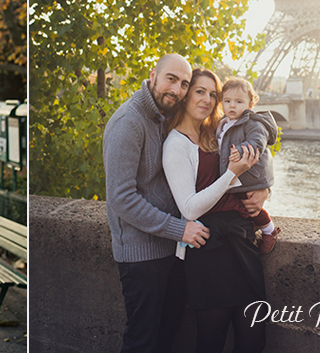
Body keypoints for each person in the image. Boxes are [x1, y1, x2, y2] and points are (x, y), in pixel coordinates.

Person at [103, 53, 211, 353]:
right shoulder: (129, 121)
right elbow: (121, 198)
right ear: (153, 75)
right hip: (140, 256)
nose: (176, 90)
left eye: (184, 84)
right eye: (171, 79)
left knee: (166, 336)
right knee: (143, 341)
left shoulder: (164, 118)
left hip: (167, 249)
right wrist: (179, 229)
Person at [162, 68, 266, 353]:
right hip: (208, 247)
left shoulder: (216, 131)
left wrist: (265, 189)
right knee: (212, 339)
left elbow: (260, 153)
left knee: (254, 336)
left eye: (213, 94)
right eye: (199, 91)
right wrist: (232, 174)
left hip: (241, 242)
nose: (208, 99)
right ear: (185, 96)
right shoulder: (175, 144)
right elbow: (189, 207)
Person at [217, 76, 281, 253]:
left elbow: (257, 142)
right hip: (237, 177)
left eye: (238, 102)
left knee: (251, 207)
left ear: (250, 104)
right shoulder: (223, 123)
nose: (231, 106)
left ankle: (269, 231)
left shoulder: (253, 123)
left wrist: (242, 149)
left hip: (250, 178)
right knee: (242, 207)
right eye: (227, 101)